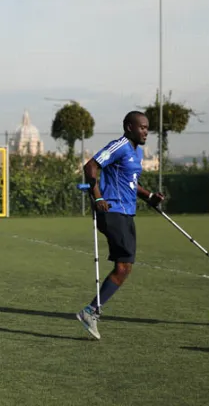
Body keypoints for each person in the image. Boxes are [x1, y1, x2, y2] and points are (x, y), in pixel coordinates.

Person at [77, 111, 164, 340]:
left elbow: (130, 183)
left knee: (125, 267)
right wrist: (97, 198)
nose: (146, 132)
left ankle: (92, 310)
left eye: (147, 128)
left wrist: (149, 195)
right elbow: (90, 167)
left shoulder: (136, 152)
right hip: (112, 211)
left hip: (126, 213)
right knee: (123, 265)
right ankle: (91, 311)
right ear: (129, 127)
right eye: (142, 127)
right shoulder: (121, 145)